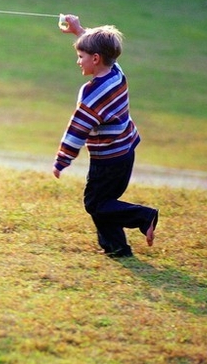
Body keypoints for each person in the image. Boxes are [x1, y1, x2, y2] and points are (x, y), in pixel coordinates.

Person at [52, 14, 158, 258]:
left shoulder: (92, 94)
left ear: (96, 58)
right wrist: (80, 31)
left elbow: (77, 130)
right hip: (125, 151)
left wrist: (62, 160)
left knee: (96, 204)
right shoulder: (116, 74)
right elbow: (100, 50)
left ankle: (144, 216)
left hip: (108, 160)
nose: (78, 62)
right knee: (104, 202)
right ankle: (117, 248)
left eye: (81, 57)